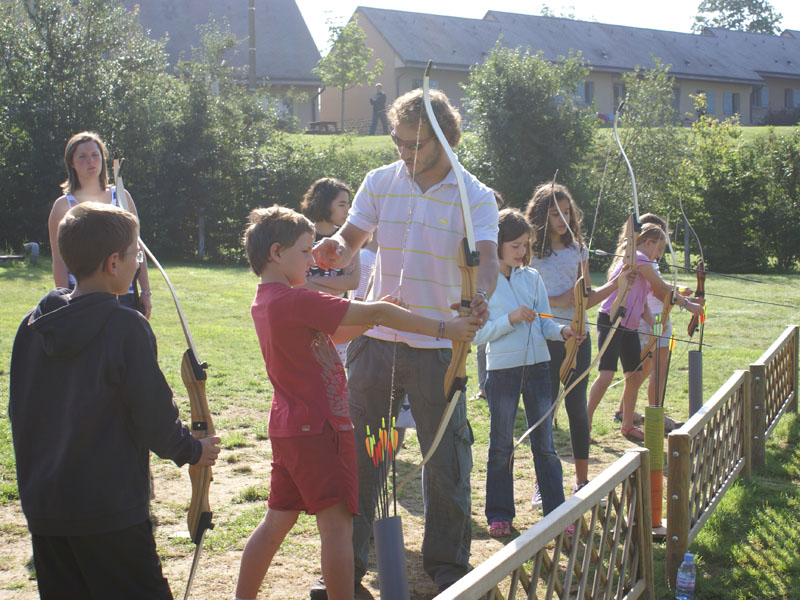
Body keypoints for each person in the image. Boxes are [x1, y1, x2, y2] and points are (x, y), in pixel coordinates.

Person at [234, 206, 480, 600]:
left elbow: (335, 334)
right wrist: (444, 328)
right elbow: (380, 312)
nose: (313, 258)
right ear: (276, 253)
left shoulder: (267, 300)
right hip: (321, 430)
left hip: (291, 429)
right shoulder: (297, 300)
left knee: (277, 520)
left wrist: (370, 315)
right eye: (304, 250)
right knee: (338, 529)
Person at [312, 88, 500, 595]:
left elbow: (486, 259)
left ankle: (447, 567)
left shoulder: (473, 194)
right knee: (362, 454)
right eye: (399, 141)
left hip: (443, 347)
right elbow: (351, 238)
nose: (406, 153)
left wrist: (479, 297)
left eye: (417, 144)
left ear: (446, 139)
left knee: (445, 461)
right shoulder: (379, 181)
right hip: (375, 340)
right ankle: (348, 563)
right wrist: (335, 246)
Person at [9, 201, 220, 599]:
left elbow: (19, 409)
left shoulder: (33, 323)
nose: (138, 263)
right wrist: (193, 449)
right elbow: (153, 415)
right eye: (135, 255)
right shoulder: (125, 325)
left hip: (47, 507)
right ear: (112, 263)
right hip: (109, 510)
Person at [475, 208, 583, 537]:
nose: (522, 252)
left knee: (546, 445)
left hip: (538, 368)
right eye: (515, 246)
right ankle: (499, 514)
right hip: (502, 372)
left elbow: (544, 322)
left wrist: (563, 331)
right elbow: (477, 335)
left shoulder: (532, 277)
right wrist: (510, 320)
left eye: (526, 245)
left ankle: (556, 513)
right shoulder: (484, 282)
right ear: (497, 245)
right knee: (501, 445)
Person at [526, 182, 623, 498]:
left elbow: (586, 298)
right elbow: (528, 298)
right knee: (545, 411)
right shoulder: (531, 253)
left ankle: (582, 479)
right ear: (542, 216)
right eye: (555, 213)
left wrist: (618, 285)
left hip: (577, 338)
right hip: (545, 338)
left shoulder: (578, 250)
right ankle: (545, 482)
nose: (562, 219)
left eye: (566, 212)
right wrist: (561, 300)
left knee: (577, 408)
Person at [587, 222, 704, 441]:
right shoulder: (639, 258)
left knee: (634, 375)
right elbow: (661, 288)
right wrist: (688, 304)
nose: (659, 255)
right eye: (659, 249)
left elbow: (643, 300)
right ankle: (586, 422)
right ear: (648, 242)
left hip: (630, 325)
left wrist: (653, 323)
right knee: (607, 374)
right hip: (611, 319)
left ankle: (628, 425)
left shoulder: (643, 261)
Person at [47, 131, 152, 318]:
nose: (90, 161)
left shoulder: (121, 197)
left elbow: (137, 248)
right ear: (71, 162)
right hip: (81, 294)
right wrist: (63, 300)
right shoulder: (63, 205)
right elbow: (59, 258)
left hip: (123, 292)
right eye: (83, 157)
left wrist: (145, 291)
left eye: (95, 155)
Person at [300, 178, 360, 363]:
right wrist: (333, 287)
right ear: (324, 204)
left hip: (337, 319)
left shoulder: (349, 238)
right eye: (341, 204)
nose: (347, 211)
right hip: (305, 319)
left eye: (348, 205)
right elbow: (295, 284)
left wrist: (313, 282)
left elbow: (352, 282)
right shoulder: (300, 235)